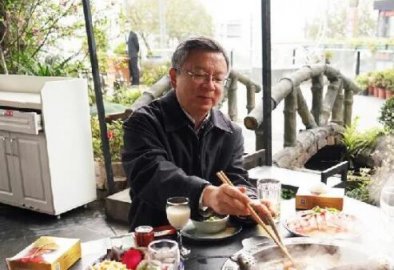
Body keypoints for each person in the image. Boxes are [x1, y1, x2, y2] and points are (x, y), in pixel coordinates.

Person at [122, 36, 275, 231]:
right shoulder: (143, 122)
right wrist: (207, 194)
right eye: (199, 74)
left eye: (218, 79)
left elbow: (235, 179)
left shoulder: (230, 131)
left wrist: (250, 203)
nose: (210, 85)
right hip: (157, 240)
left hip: (212, 241)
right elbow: (152, 174)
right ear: (174, 77)